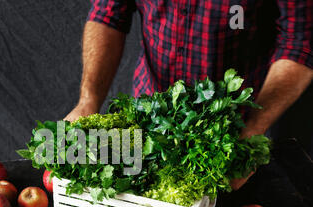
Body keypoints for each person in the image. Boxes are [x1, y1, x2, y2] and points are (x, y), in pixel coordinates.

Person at [64, 0, 312, 189]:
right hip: (147, 119)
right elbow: (109, 14)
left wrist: (252, 132)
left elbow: (300, 42)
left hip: (228, 135)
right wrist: (88, 101)